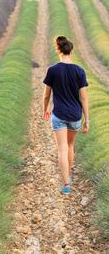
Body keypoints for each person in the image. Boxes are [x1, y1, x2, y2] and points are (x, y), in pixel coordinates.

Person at [42, 36, 89, 195]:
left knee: (61, 148)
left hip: (59, 114)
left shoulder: (53, 70)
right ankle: (68, 174)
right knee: (70, 146)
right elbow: (83, 97)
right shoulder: (79, 71)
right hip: (75, 115)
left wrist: (45, 110)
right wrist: (86, 119)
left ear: (59, 50)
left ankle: (66, 183)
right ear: (71, 50)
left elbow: (47, 95)